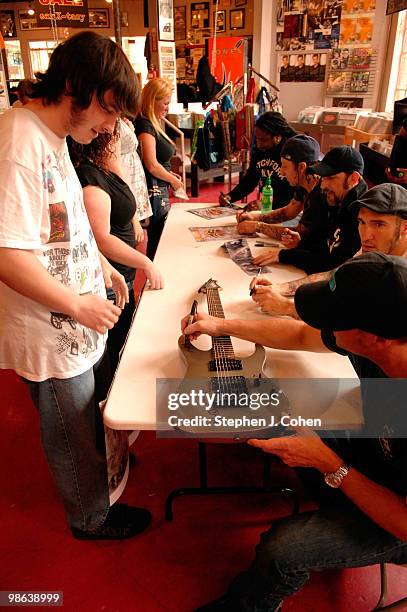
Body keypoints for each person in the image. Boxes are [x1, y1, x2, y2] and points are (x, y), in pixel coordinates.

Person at [183, 252, 407, 611]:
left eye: (334, 319)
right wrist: (220, 326)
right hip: (384, 457)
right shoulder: (386, 338)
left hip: (400, 520)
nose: (325, 326)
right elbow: (300, 334)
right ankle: (331, 496)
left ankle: (250, 605)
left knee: (282, 551)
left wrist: (329, 463)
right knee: (273, 411)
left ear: (372, 337)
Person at [0, 31, 152, 540]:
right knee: (72, 431)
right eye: (108, 110)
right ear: (75, 87)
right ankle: (90, 519)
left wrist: (101, 268)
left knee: (89, 417)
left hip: (74, 313)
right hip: (50, 326)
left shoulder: (54, 136)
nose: (111, 125)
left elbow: (66, 222)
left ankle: (98, 492)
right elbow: (6, 254)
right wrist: (77, 304)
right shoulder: (19, 140)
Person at [69, 128, 163, 373]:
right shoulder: (90, 178)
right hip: (109, 283)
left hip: (121, 278)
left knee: (122, 347)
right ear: (104, 143)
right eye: (117, 142)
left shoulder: (103, 171)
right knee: (111, 360)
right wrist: (146, 263)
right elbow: (101, 238)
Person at [251, 183, 407, 317]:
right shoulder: (375, 248)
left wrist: (288, 308)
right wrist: (278, 288)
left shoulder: (402, 275)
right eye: (362, 222)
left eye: (379, 224)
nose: (366, 236)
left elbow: (355, 330)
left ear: (405, 228)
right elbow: (334, 274)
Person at [252, 145, 367, 273]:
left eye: (331, 178)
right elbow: (325, 245)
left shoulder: (361, 214)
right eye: (323, 178)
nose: (323, 185)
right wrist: (301, 244)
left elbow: (330, 265)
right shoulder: (336, 199)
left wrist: (283, 255)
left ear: (353, 179)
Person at [237, 134, 325, 248]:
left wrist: (258, 226)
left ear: (301, 167)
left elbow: (299, 233)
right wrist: (254, 218)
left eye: (285, 166)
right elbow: (288, 212)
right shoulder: (305, 181)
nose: (282, 173)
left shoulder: (321, 193)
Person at [135, 78, 183, 260]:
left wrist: (169, 175)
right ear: (153, 100)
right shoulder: (146, 125)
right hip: (154, 191)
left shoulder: (152, 123)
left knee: (159, 236)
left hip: (159, 190)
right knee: (157, 238)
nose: (167, 108)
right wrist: (173, 180)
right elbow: (152, 164)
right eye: (165, 103)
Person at [219, 112, 296, 210]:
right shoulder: (259, 149)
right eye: (257, 139)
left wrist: (266, 203)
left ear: (277, 137)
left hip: (289, 211)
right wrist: (230, 197)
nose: (258, 144)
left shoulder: (291, 153)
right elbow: (250, 180)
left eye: (263, 140)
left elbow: (295, 196)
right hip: (270, 206)